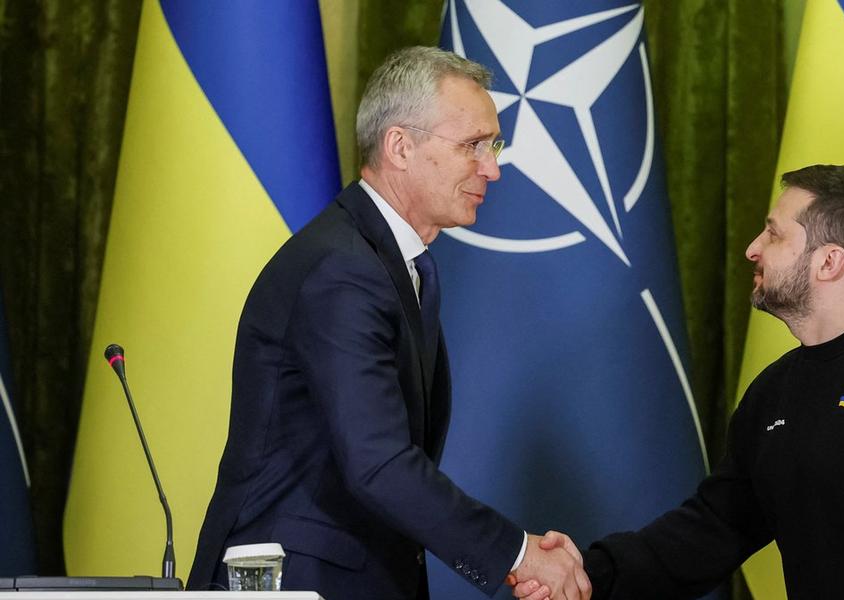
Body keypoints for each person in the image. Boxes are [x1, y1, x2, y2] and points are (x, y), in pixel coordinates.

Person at [515, 164, 844, 600]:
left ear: (830, 261)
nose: (751, 248)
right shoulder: (775, 391)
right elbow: (714, 528)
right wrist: (585, 574)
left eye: (774, 233)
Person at [187, 47, 590, 600]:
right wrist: (515, 554)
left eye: (492, 146)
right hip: (293, 581)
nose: (493, 167)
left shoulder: (392, 264)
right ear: (401, 146)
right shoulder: (343, 271)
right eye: (473, 145)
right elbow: (377, 463)